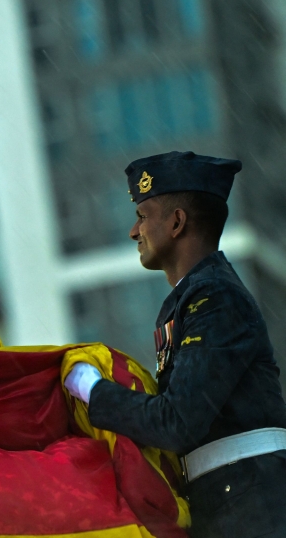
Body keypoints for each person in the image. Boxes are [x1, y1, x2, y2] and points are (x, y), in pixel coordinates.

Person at [63, 151, 286, 538]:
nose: (134, 231)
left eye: (144, 216)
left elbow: (176, 421)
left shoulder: (215, 297)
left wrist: (91, 390)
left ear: (178, 222)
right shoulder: (193, 298)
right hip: (233, 501)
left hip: (255, 507)